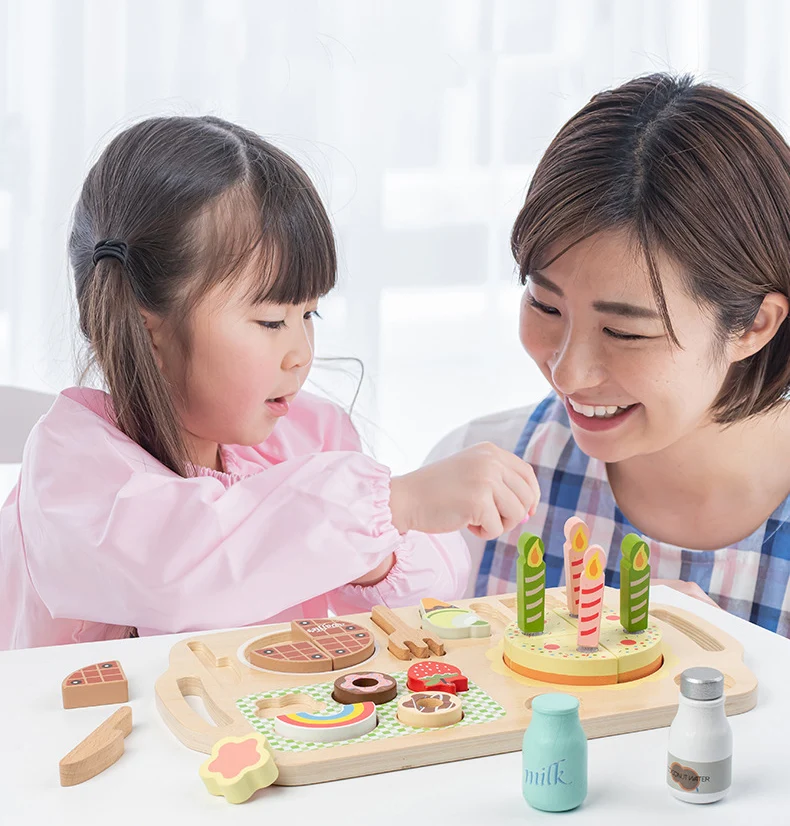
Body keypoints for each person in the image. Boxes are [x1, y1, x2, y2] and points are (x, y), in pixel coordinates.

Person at [0, 115, 539, 649]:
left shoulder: (307, 437)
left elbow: (429, 590)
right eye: (271, 322)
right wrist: (393, 506)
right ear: (151, 329)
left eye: (310, 316)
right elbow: (185, 568)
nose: (301, 354)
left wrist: (382, 549)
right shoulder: (71, 469)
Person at [429, 73, 790, 638]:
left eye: (623, 332)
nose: (566, 372)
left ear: (753, 324)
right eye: (545, 305)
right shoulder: (477, 480)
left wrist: (756, 676)